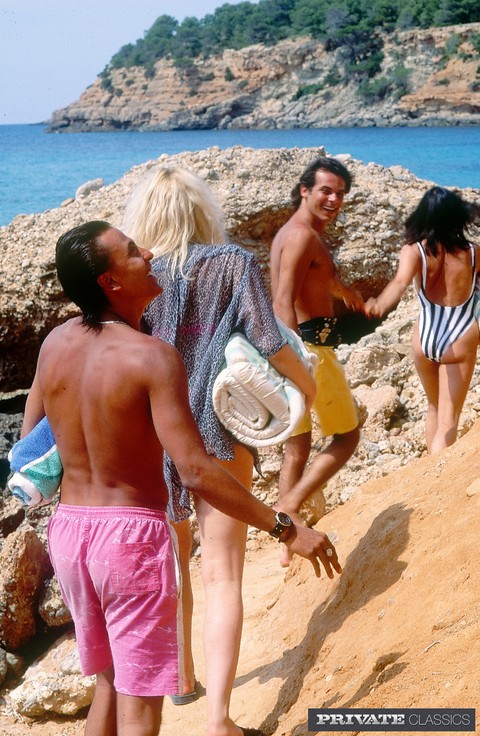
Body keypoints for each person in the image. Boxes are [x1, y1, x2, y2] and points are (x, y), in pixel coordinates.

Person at [21, 221, 341, 736]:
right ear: (111, 282)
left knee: (108, 684)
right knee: (141, 704)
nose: (148, 253)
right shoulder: (151, 357)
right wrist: (285, 528)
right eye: (131, 252)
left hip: (69, 532)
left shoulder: (56, 343)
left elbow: (30, 441)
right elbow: (194, 469)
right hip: (129, 539)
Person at [121, 167, 318, 736]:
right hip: (220, 433)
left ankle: (181, 679)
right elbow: (270, 339)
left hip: (153, 436)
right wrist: (308, 389)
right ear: (203, 211)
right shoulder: (232, 263)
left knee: (171, 566)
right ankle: (218, 721)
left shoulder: (137, 274)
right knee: (223, 575)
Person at [270, 156, 364, 552]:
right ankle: (289, 505)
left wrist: (349, 296)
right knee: (346, 436)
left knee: (298, 446)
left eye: (340, 193)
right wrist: (294, 361)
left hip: (301, 346)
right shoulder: (301, 235)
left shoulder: (300, 234)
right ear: (305, 190)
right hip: (311, 349)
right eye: (326, 190)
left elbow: (320, 277)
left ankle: (287, 540)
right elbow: (282, 299)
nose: (334, 199)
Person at [365, 186, 480, 454]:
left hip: (426, 337)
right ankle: (438, 480)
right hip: (460, 336)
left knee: (434, 408)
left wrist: (379, 304)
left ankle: (430, 468)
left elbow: (400, 282)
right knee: (449, 421)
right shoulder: (474, 252)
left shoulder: (414, 251)